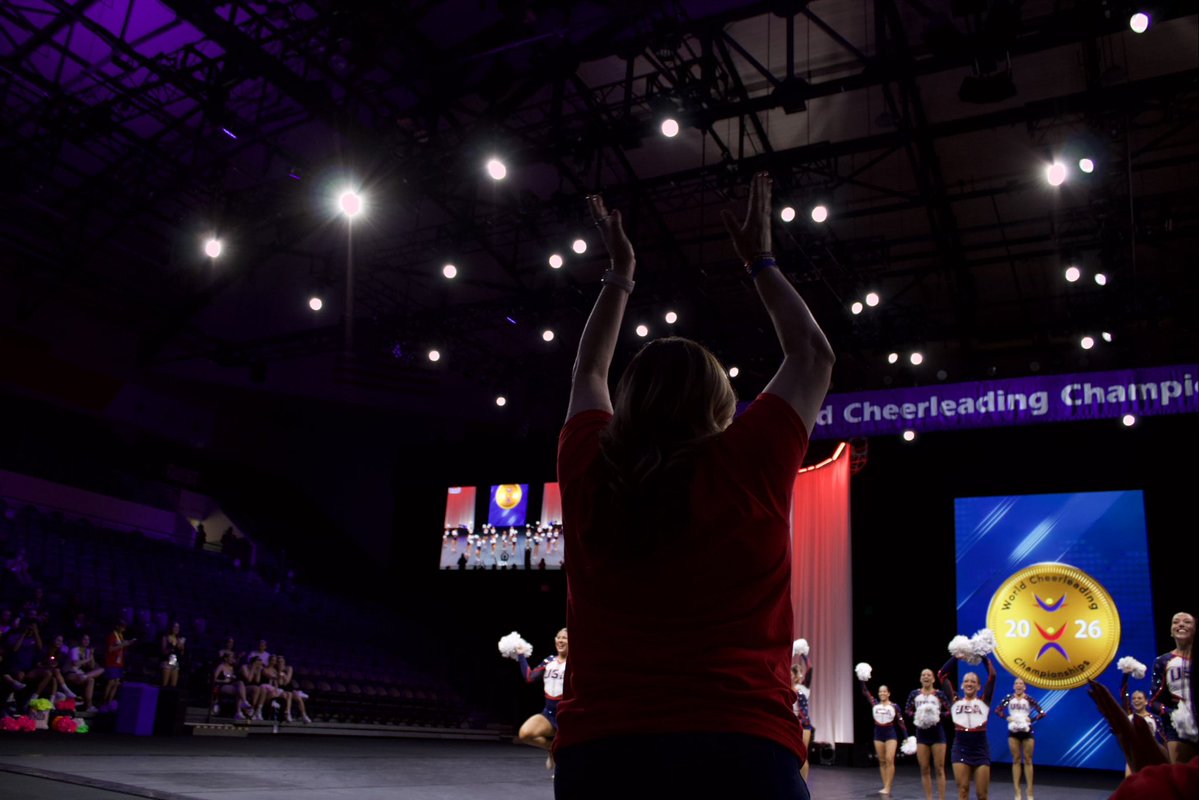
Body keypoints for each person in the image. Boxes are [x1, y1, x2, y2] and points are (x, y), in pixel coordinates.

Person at [552, 173, 834, 799]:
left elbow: (588, 370)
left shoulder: (590, 466)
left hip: (603, 753)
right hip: (741, 749)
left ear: (628, 402)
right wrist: (760, 261)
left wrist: (620, 274)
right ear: (721, 405)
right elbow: (812, 355)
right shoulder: (749, 460)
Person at [941, 655, 997, 800]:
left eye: (973, 681)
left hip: (980, 750)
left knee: (982, 795)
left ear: (978, 686)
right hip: (961, 748)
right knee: (963, 790)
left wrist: (982, 655)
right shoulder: (955, 702)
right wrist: (956, 657)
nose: (969, 683)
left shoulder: (984, 701)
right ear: (962, 685)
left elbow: (992, 675)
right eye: (966, 681)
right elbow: (942, 674)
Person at [515, 628, 568, 769]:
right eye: (558, 637)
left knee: (570, 751)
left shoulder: (575, 663)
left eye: (564, 638)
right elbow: (529, 677)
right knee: (525, 734)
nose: (560, 641)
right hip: (549, 713)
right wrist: (521, 655)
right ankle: (552, 748)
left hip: (567, 716)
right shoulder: (549, 661)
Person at [1151, 611, 1196, 763]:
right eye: (1176, 621)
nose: (1181, 624)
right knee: (1181, 773)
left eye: (1187, 622)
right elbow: (1154, 702)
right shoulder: (1163, 661)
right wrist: (1173, 714)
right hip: (1177, 727)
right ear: (1171, 631)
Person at [994, 678, 1045, 800]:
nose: (1018, 685)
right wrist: (1006, 717)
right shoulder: (1009, 698)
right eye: (1016, 683)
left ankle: (1030, 792)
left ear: (1024, 687)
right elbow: (997, 710)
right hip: (1013, 731)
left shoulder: (1029, 699)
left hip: (1027, 731)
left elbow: (1042, 712)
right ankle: (1017, 792)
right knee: (1016, 760)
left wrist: (1031, 719)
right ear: (1014, 686)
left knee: (1028, 760)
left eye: (1021, 684)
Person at [907, 668, 952, 800]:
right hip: (921, 734)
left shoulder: (939, 694)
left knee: (939, 768)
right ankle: (929, 798)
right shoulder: (914, 694)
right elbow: (907, 710)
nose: (926, 677)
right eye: (923, 675)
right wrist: (919, 715)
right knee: (924, 768)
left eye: (929, 675)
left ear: (933, 679)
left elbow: (950, 711)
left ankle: (942, 798)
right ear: (920, 679)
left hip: (937, 734)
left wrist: (936, 715)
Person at [860, 675, 908, 796]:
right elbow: (865, 692)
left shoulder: (894, 706)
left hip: (890, 734)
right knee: (881, 761)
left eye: (884, 691)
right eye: (880, 691)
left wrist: (906, 737)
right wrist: (862, 679)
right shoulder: (875, 704)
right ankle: (885, 785)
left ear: (888, 693)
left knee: (889, 759)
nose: (882, 693)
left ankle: (888, 787)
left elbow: (901, 722)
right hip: (878, 735)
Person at [66, 634, 104, 712]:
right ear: (80, 640)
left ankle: (89, 707)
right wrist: (88, 659)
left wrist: (91, 655)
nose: (87, 641)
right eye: (84, 639)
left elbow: (92, 666)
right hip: (71, 673)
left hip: (81, 674)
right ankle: (89, 705)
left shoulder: (87, 651)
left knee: (96, 675)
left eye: (88, 640)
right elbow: (76, 663)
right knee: (90, 679)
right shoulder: (75, 649)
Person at [102, 619, 136, 706]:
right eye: (122, 627)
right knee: (111, 682)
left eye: (124, 627)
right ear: (118, 626)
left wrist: (128, 643)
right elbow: (110, 649)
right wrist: (122, 645)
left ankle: (109, 702)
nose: (124, 629)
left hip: (119, 663)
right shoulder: (112, 635)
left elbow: (121, 647)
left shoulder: (120, 636)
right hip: (112, 662)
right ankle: (104, 701)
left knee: (116, 683)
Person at [792, 655, 814, 782]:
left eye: (800, 672)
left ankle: (803, 784)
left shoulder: (804, 687)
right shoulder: (788, 688)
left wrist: (803, 654)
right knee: (792, 753)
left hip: (804, 724)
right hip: (792, 723)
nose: (800, 675)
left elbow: (810, 668)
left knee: (802, 754)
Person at [161, 621, 186, 687]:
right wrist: (172, 646)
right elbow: (163, 651)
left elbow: (182, 653)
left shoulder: (180, 639)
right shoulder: (166, 637)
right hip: (167, 662)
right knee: (164, 685)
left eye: (178, 627)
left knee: (173, 686)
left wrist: (181, 646)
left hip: (175, 663)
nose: (176, 629)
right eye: (175, 627)